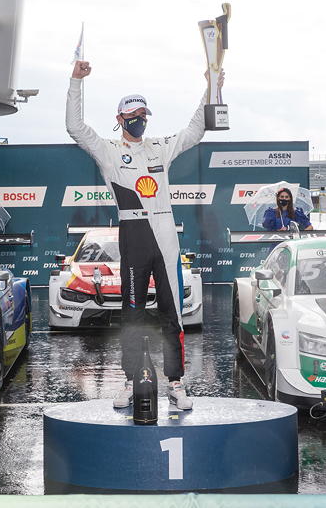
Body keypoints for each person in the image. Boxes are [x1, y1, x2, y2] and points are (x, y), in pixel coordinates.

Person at [66, 60, 221, 410]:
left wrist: (210, 86)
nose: (140, 120)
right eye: (134, 115)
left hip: (165, 233)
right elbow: (74, 126)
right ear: (120, 119)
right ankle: (131, 380)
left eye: (144, 114)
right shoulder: (107, 149)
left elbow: (195, 130)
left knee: (172, 312)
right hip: (133, 232)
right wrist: (76, 81)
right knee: (132, 312)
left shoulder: (160, 147)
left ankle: (177, 383)